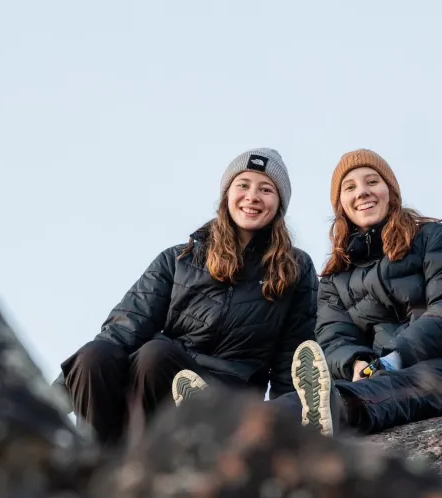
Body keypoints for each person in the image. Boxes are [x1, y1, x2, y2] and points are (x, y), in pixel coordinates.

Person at [51, 148, 318, 447]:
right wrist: (57, 395)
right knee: (94, 356)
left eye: (266, 189)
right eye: (243, 185)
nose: (252, 196)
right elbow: (125, 327)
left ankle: (153, 457)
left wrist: (288, 421)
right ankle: (98, 462)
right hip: (152, 383)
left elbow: (293, 358)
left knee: (155, 355)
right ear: (227, 194)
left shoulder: (294, 268)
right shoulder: (178, 259)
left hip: (226, 398)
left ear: (279, 203)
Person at [267, 148, 442, 437]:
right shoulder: (336, 277)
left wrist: (395, 357)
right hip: (379, 380)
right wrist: (356, 362)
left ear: (391, 192)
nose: (362, 192)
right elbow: (334, 337)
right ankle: (231, 423)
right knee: (314, 396)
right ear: (341, 205)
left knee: (362, 394)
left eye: (372, 182)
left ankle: (329, 416)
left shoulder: (435, 238)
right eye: (350, 187)